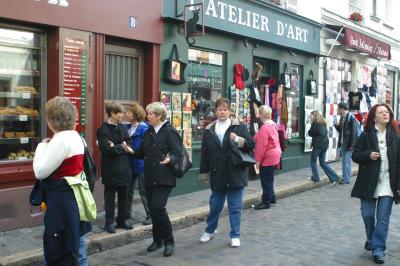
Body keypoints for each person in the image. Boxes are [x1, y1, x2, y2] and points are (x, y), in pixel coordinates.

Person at [33, 96, 92, 265]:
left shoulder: (61, 140)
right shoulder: (76, 136)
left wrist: (41, 147)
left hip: (61, 202)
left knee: (59, 248)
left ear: (52, 120)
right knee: (76, 243)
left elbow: (40, 171)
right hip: (76, 197)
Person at [128, 102, 182, 257]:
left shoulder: (169, 131)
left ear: (159, 116)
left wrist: (170, 158)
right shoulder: (149, 131)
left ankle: (169, 241)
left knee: (158, 208)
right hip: (149, 176)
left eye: (150, 114)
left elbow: (178, 153)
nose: (148, 116)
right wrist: (130, 150)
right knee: (153, 210)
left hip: (164, 177)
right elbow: (141, 152)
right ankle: (157, 240)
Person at [199, 98, 254, 247]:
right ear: (215, 111)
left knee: (234, 207)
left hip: (235, 173)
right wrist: (204, 173)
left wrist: (238, 140)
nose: (222, 112)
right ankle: (210, 230)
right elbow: (205, 153)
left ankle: (235, 235)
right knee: (215, 205)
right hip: (217, 174)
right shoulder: (209, 129)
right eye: (219, 109)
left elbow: (250, 145)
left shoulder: (239, 127)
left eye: (225, 109)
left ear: (229, 111)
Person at [351, 103, 400, 264]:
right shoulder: (366, 135)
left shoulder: (395, 136)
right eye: (381, 112)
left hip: (388, 183)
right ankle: (371, 238)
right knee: (367, 214)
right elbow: (355, 155)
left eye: (387, 112)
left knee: (383, 218)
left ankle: (378, 249)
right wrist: (367, 155)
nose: (386, 114)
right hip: (369, 183)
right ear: (374, 116)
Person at [97, 102, 133, 234]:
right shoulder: (103, 130)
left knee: (124, 196)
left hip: (124, 167)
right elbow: (106, 150)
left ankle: (122, 221)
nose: (123, 115)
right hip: (110, 169)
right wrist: (121, 147)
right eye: (120, 113)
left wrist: (116, 146)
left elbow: (129, 142)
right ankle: (109, 223)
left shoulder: (122, 127)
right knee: (110, 198)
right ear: (112, 113)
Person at [125, 102, 151, 225]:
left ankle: (150, 215)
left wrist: (134, 151)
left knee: (143, 190)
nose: (126, 114)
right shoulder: (128, 128)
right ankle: (127, 215)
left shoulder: (144, 128)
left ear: (136, 115)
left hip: (141, 163)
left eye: (129, 112)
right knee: (128, 190)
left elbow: (147, 146)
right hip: (129, 163)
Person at [253, 105, 281, 210]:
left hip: (268, 158)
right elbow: (259, 137)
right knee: (270, 178)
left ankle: (266, 201)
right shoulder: (272, 125)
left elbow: (261, 146)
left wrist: (257, 160)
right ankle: (272, 197)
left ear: (261, 115)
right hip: (275, 156)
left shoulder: (265, 128)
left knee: (266, 180)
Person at [308, 111, 339, 185]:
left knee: (313, 161)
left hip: (318, 146)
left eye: (311, 116)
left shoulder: (315, 124)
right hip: (324, 145)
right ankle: (334, 177)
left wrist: (311, 126)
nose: (310, 117)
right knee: (322, 162)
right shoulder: (323, 124)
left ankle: (315, 177)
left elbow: (310, 133)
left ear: (315, 116)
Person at [334, 102, 357, 184]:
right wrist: (336, 126)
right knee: (345, 161)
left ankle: (346, 179)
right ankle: (346, 177)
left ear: (342, 109)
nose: (337, 110)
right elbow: (341, 131)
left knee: (346, 161)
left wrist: (352, 145)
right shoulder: (342, 117)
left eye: (338, 109)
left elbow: (354, 132)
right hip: (343, 142)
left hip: (348, 143)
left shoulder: (350, 117)